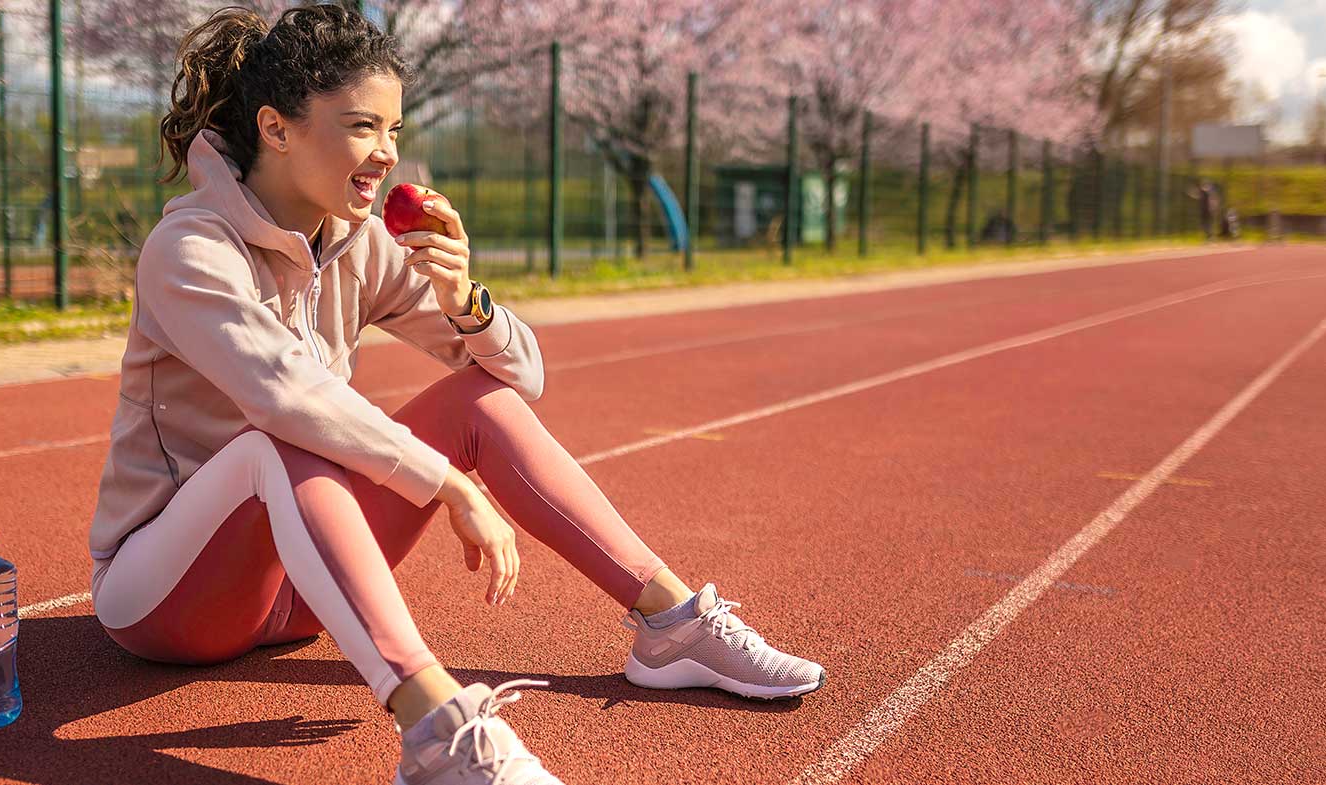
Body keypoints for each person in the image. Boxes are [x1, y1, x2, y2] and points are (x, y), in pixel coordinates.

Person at [86, 5, 824, 784]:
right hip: (170, 599)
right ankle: (439, 734)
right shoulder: (190, 247)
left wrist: (461, 295)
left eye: (394, 131)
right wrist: (445, 484)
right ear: (276, 127)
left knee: (478, 404)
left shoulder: (358, 242)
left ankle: (670, 624)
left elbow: (519, 382)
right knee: (280, 441)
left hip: (304, 593)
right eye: (363, 126)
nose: (386, 155)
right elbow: (283, 395)